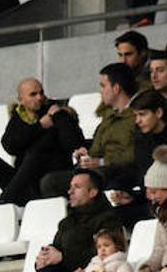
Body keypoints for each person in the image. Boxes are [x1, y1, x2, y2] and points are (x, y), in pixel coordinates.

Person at [0, 78, 84, 208]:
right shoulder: (20, 117)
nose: (39, 97)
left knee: (34, 155)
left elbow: (74, 142)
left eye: (41, 93)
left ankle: (2, 202)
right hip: (22, 185)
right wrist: (39, 126)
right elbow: (10, 146)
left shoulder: (57, 112)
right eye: (33, 94)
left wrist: (59, 116)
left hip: (47, 183)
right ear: (21, 100)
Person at [40, 64, 138, 200]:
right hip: (100, 169)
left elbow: (136, 152)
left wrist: (102, 162)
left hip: (118, 171)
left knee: (54, 182)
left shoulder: (138, 115)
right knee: (50, 179)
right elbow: (97, 147)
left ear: (116, 88)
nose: (100, 91)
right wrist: (86, 154)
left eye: (103, 86)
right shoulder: (109, 116)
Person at [30, 171, 122, 272]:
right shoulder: (67, 221)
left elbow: (103, 256)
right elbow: (56, 249)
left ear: (92, 192)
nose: (70, 191)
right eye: (70, 187)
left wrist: (63, 257)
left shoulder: (108, 220)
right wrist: (43, 259)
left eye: (77, 187)